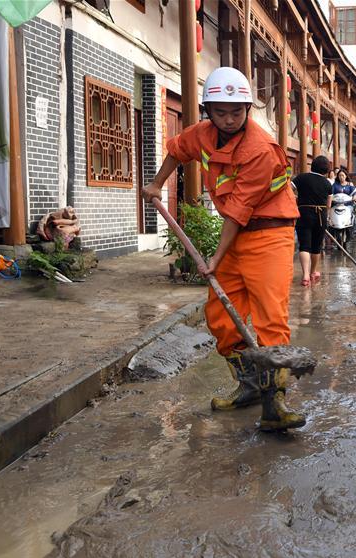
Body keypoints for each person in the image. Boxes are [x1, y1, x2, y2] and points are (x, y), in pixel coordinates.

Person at [140, 66, 305, 432]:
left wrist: (215, 257)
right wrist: (155, 185)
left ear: (247, 109)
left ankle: (274, 403)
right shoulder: (201, 134)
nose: (229, 119)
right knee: (221, 315)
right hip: (236, 232)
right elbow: (176, 150)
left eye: (236, 111)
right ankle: (247, 386)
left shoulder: (260, 148)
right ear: (208, 111)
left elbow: (236, 210)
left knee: (269, 316)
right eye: (220, 112)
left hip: (269, 233)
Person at [293, 155, 332, 287]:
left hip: (303, 213)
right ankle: (313, 272)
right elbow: (329, 204)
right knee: (316, 246)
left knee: (304, 245)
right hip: (321, 215)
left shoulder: (301, 178)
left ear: (313, 165)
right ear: (326, 170)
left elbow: (288, 188)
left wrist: (296, 198)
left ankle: (305, 277)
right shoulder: (327, 183)